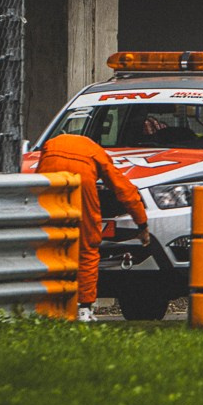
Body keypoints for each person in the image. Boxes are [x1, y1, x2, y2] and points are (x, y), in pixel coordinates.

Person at [34, 132, 150, 316]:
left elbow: (36, 176)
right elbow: (124, 189)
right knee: (88, 245)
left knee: (46, 240)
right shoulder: (96, 151)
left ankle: (43, 304)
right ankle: (84, 308)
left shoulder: (52, 142)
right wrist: (142, 224)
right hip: (83, 180)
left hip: (50, 174)